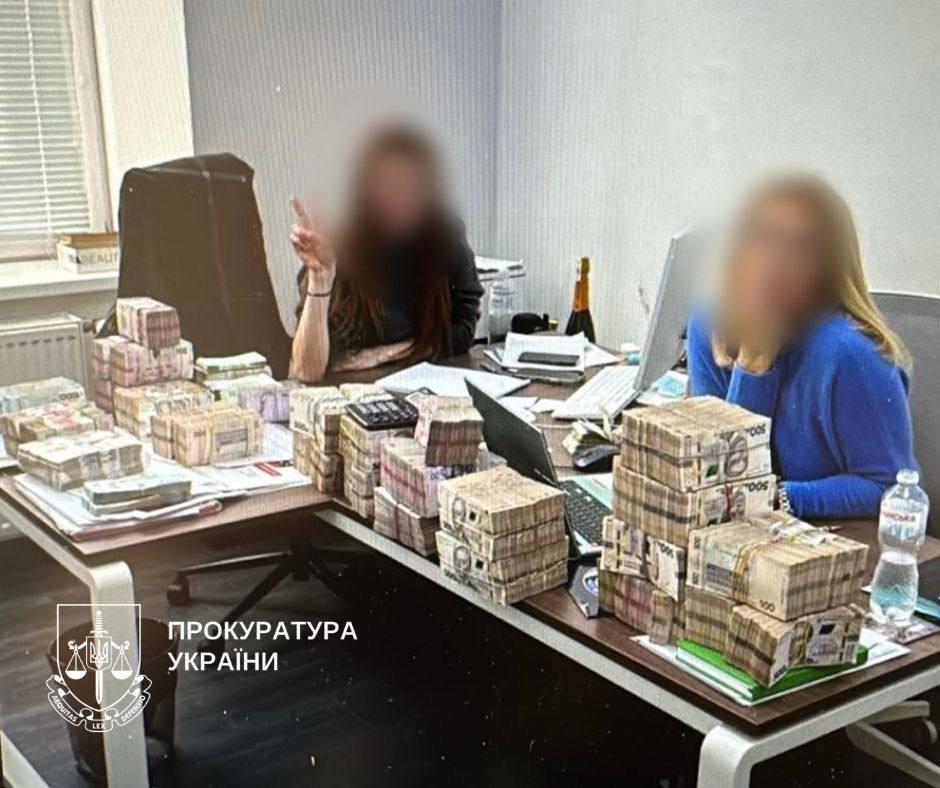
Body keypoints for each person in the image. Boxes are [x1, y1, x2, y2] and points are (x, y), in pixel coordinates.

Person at [687, 173, 916, 519]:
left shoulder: (850, 353)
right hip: (742, 538)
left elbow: (890, 487)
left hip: (836, 540)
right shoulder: (708, 324)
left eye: (802, 248)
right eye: (764, 238)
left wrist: (778, 497)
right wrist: (752, 366)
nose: (776, 263)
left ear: (828, 271)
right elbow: (718, 476)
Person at [290, 126, 484, 382]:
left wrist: (383, 354)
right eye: (388, 185)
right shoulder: (339, 248)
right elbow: (307, 370)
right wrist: (320, 278)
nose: (401, 198)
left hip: (423, 389)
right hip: (350, 396)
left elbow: (463, 331)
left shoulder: (444, 238)